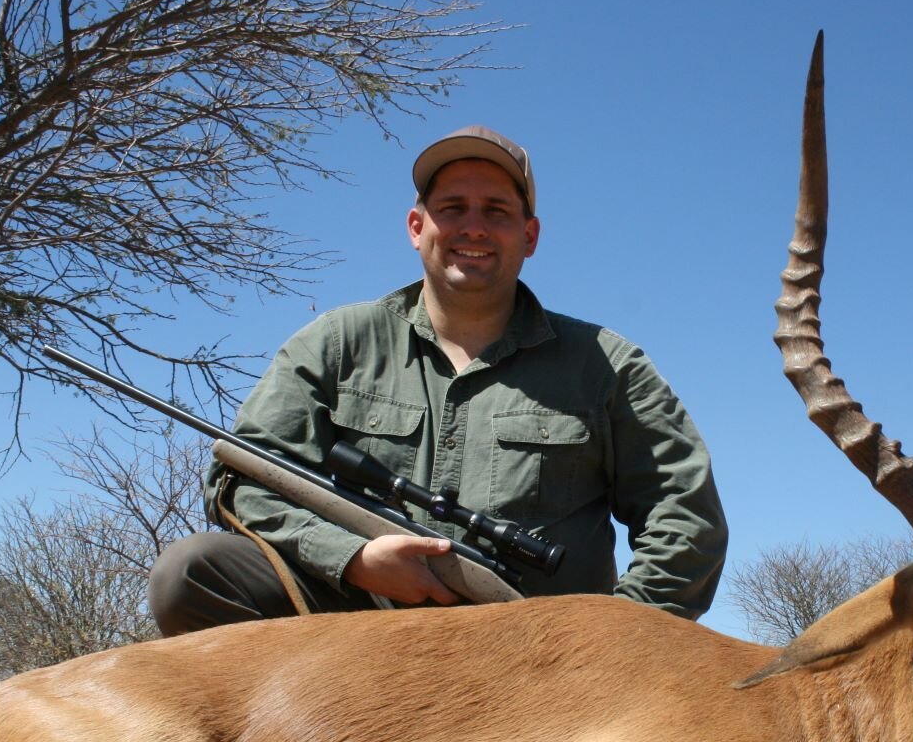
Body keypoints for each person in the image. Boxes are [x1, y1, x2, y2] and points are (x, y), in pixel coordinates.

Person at [148, 125, 727, 635]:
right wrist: (353, 558)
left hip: (537, 654)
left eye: (497, 211)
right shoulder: (338, 340)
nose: (473, 228)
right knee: (191, 571)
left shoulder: (607, 363)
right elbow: (244, 479)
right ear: (416, 225)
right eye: (453, 208)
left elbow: (686, 520)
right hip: (351, 632)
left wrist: (606, 639)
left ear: (529, 236)